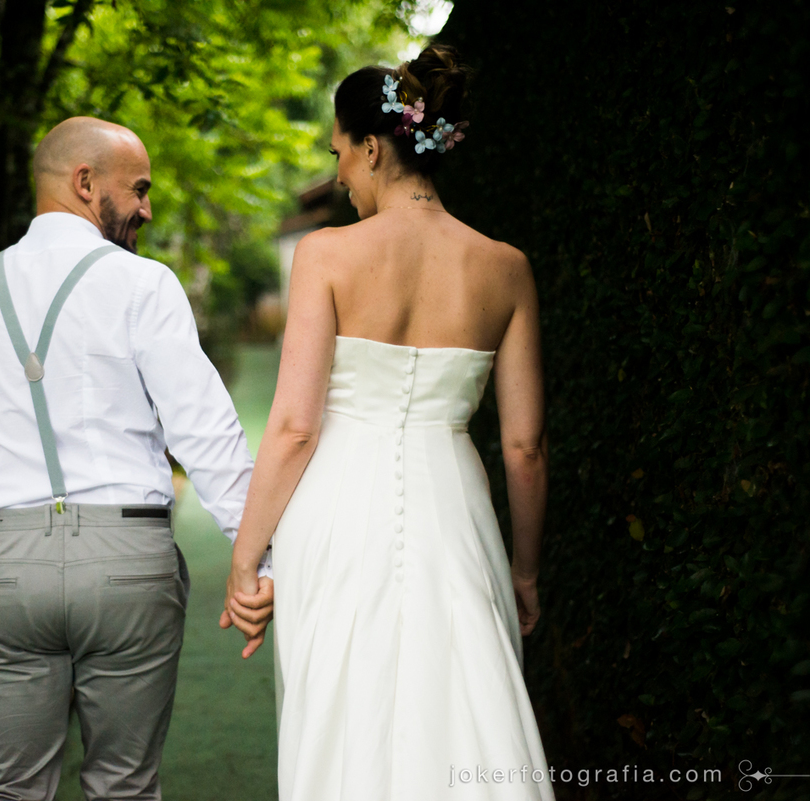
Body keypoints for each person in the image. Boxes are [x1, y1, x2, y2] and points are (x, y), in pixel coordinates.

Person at [0, 116, 274, 801]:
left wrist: (4, 477)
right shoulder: (144, 285)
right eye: (138, 189)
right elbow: (204, 433)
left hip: (6, 565)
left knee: (5, 790)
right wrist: (257, 560)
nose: (148, 207)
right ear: (84, 183)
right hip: (127, 560)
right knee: (125, 788)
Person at [225, 45, 555, 800]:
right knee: (467, 697)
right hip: (456, 508)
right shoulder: (506, 267)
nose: (338, 175)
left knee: (345, 707)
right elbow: (524, 446)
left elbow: (296, 426)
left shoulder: (326, 256)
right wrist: (526, 569)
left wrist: (248, 557)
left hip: (339, 511)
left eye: (339, 153)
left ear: (372, 147)